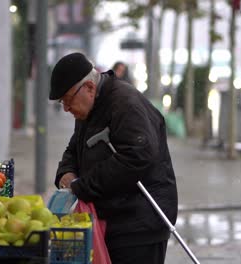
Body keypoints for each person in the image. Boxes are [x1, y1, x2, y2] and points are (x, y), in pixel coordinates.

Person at [49, 52, 178, 263]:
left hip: (139, 224)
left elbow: (136, 157)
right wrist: (66, 171)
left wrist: (82, 186)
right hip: (115, 218)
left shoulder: (125, 104)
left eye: (68, 100)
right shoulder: (88, 107)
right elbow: (75, 147)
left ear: (89, 87)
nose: (66, 108)